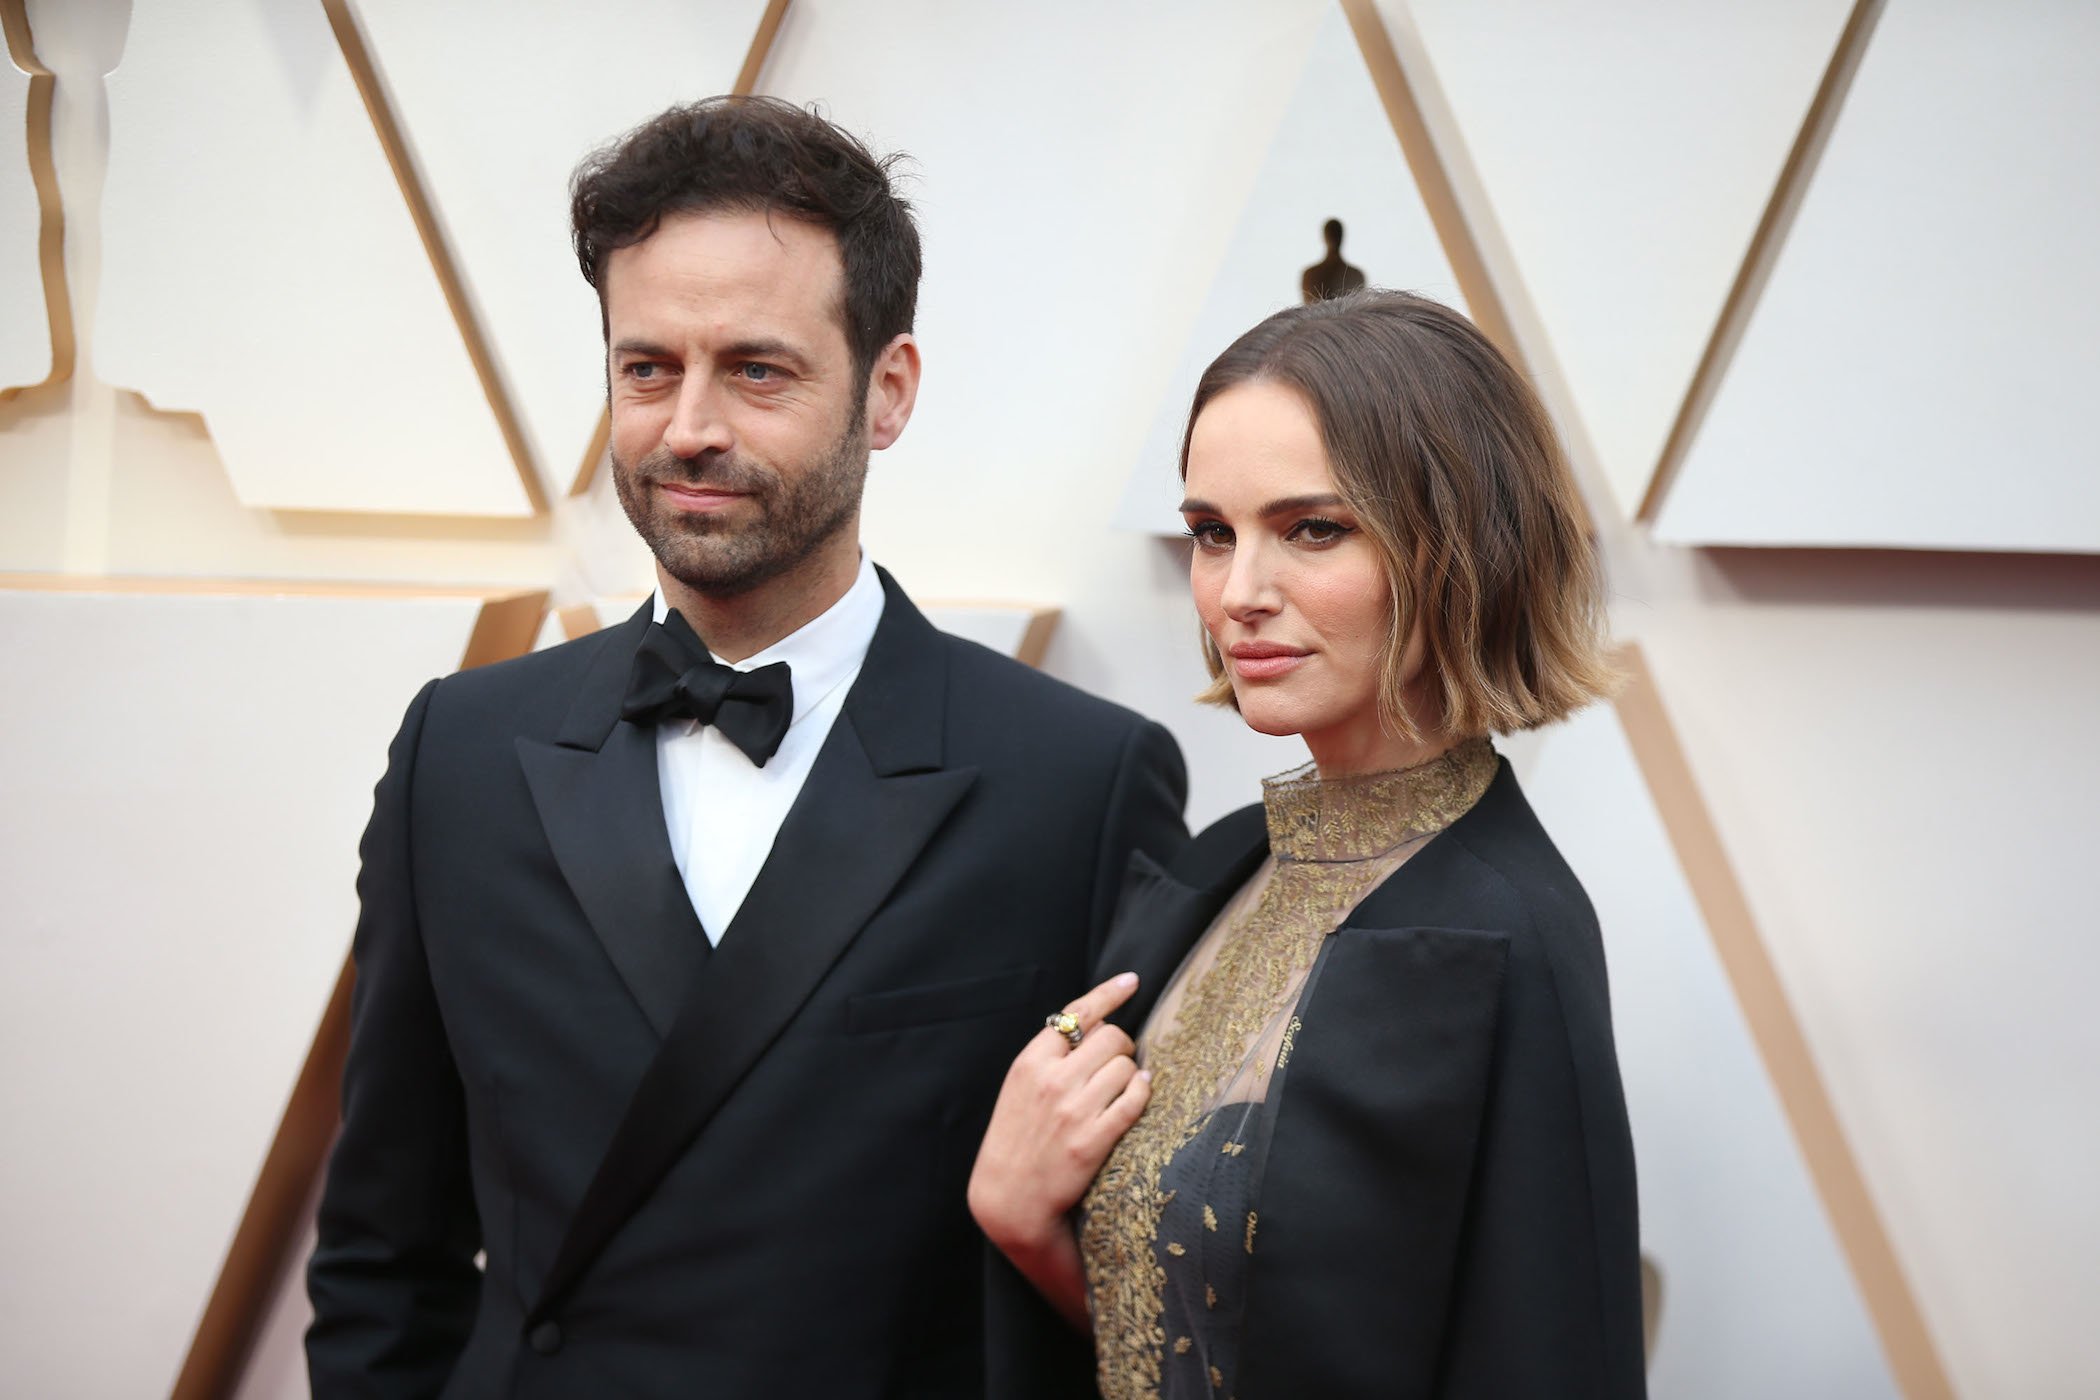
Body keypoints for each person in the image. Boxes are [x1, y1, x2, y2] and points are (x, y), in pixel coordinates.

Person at [305, 96, 1188, 1398]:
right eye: (647, 368)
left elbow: (1125, 1272)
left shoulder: (1078, 781)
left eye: (756, 370)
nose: (689, 428)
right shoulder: (465, 752)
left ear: (887, 392)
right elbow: (384, 1251)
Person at [971, 290, 1645, 1398]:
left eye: (1312, 529)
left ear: (1460, 545)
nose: (1239, 593)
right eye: (1211, 533)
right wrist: (1023, 1218)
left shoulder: (1503, 935)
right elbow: (1185, 1339)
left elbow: (1553, 1356)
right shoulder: (1223, 863)